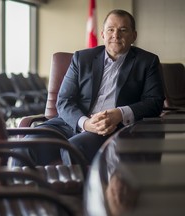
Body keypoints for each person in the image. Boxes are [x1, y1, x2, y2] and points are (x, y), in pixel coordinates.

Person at [14, 9, 165, 166]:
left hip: (108, 127)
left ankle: (72, 191)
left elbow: (154, 102)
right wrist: (85, 123)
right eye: (110, 30)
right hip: (69, 123)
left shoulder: (147, 62)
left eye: (123, 30)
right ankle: (23, 190)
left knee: (74, 149)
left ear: (134, 36)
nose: (116, 35)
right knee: (25, 147)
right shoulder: (82, 58)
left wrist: (120, 114)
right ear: (102, 34)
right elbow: (64, 100)